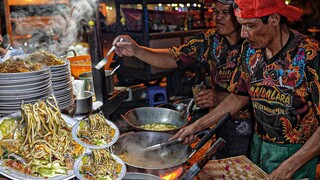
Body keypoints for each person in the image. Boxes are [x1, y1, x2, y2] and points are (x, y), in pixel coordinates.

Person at [170, 0, 320, 179]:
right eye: (241, 25)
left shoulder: (310, 55)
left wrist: (287, 168)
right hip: (258, 145)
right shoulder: (251, 52)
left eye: (250, 25)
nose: (243, 33)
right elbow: (239, 97)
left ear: (273, 19)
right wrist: (196, 127)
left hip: (297, 154)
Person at [113, 0, 253, 159]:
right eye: (216, 11)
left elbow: (251, 94)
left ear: (239, 15)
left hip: (249, 127)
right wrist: (137, 50)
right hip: (215, 120)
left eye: (225, 12)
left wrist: (220, 97)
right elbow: (174, 57)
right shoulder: (208, 41)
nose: (218, 17)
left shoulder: (252, 43)